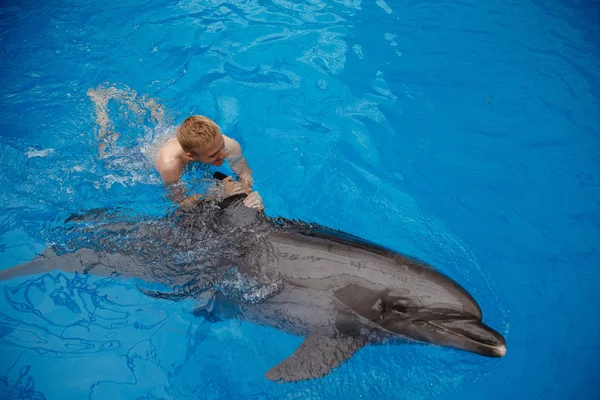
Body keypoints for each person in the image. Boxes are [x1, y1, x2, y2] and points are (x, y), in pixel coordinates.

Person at [155, 115, 263, 209]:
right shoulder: (170, 166)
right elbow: (180, 203)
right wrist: (219, 192)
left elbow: (244, 174)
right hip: (156, 149)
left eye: (222, 146)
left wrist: (248, 194)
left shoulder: (229, 145)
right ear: (191, 156)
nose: (224, 155)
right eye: (213, 155)